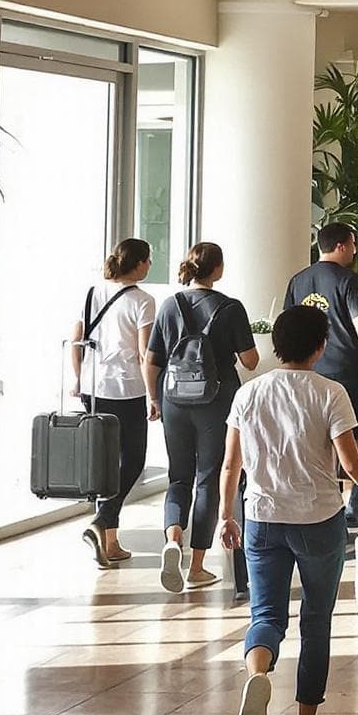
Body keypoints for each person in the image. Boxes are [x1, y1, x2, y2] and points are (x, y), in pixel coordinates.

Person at [218, 304, 358, 715]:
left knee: (266, 616)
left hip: (260, 516)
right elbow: (350, 463)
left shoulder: (249, 394)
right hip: (317, 519)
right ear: (320, 347)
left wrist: (225, 515)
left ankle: (258, 674)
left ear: (277, 345)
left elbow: (230, 464)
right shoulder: (330, 393)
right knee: (316, 621)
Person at [147, 242, 260, 594]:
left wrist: (155, 400)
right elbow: (251, 360)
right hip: (216, 401)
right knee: (208, 478)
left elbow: (152, 360)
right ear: (218, 269)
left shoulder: (170, 305)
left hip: (174, 402)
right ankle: (196, 565)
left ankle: (173, 537)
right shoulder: (230, 308)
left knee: (178, 477)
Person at [284, 223, 358, 530]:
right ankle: (353, 506)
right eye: (353, 244)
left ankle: (323, 505)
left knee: (315, 439)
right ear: (343, 245)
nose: (356, 251)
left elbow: (287, 324)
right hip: (348, 370)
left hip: (308, 372)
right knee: (353, 439)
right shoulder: (350, 280)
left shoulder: (298, 280)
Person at [68, 237, 156, 569]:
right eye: (147, 260)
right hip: (127, 389)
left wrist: (78, 378)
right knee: (132, 462)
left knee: (107, 465)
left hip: (93, 388)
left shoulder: (91, 293)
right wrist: (154, 395)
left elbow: (76, 341)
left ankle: (111, 542)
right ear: (137, 264)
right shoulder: (143, 301)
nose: (149, 266)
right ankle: (102, 521)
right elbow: (144, 354)